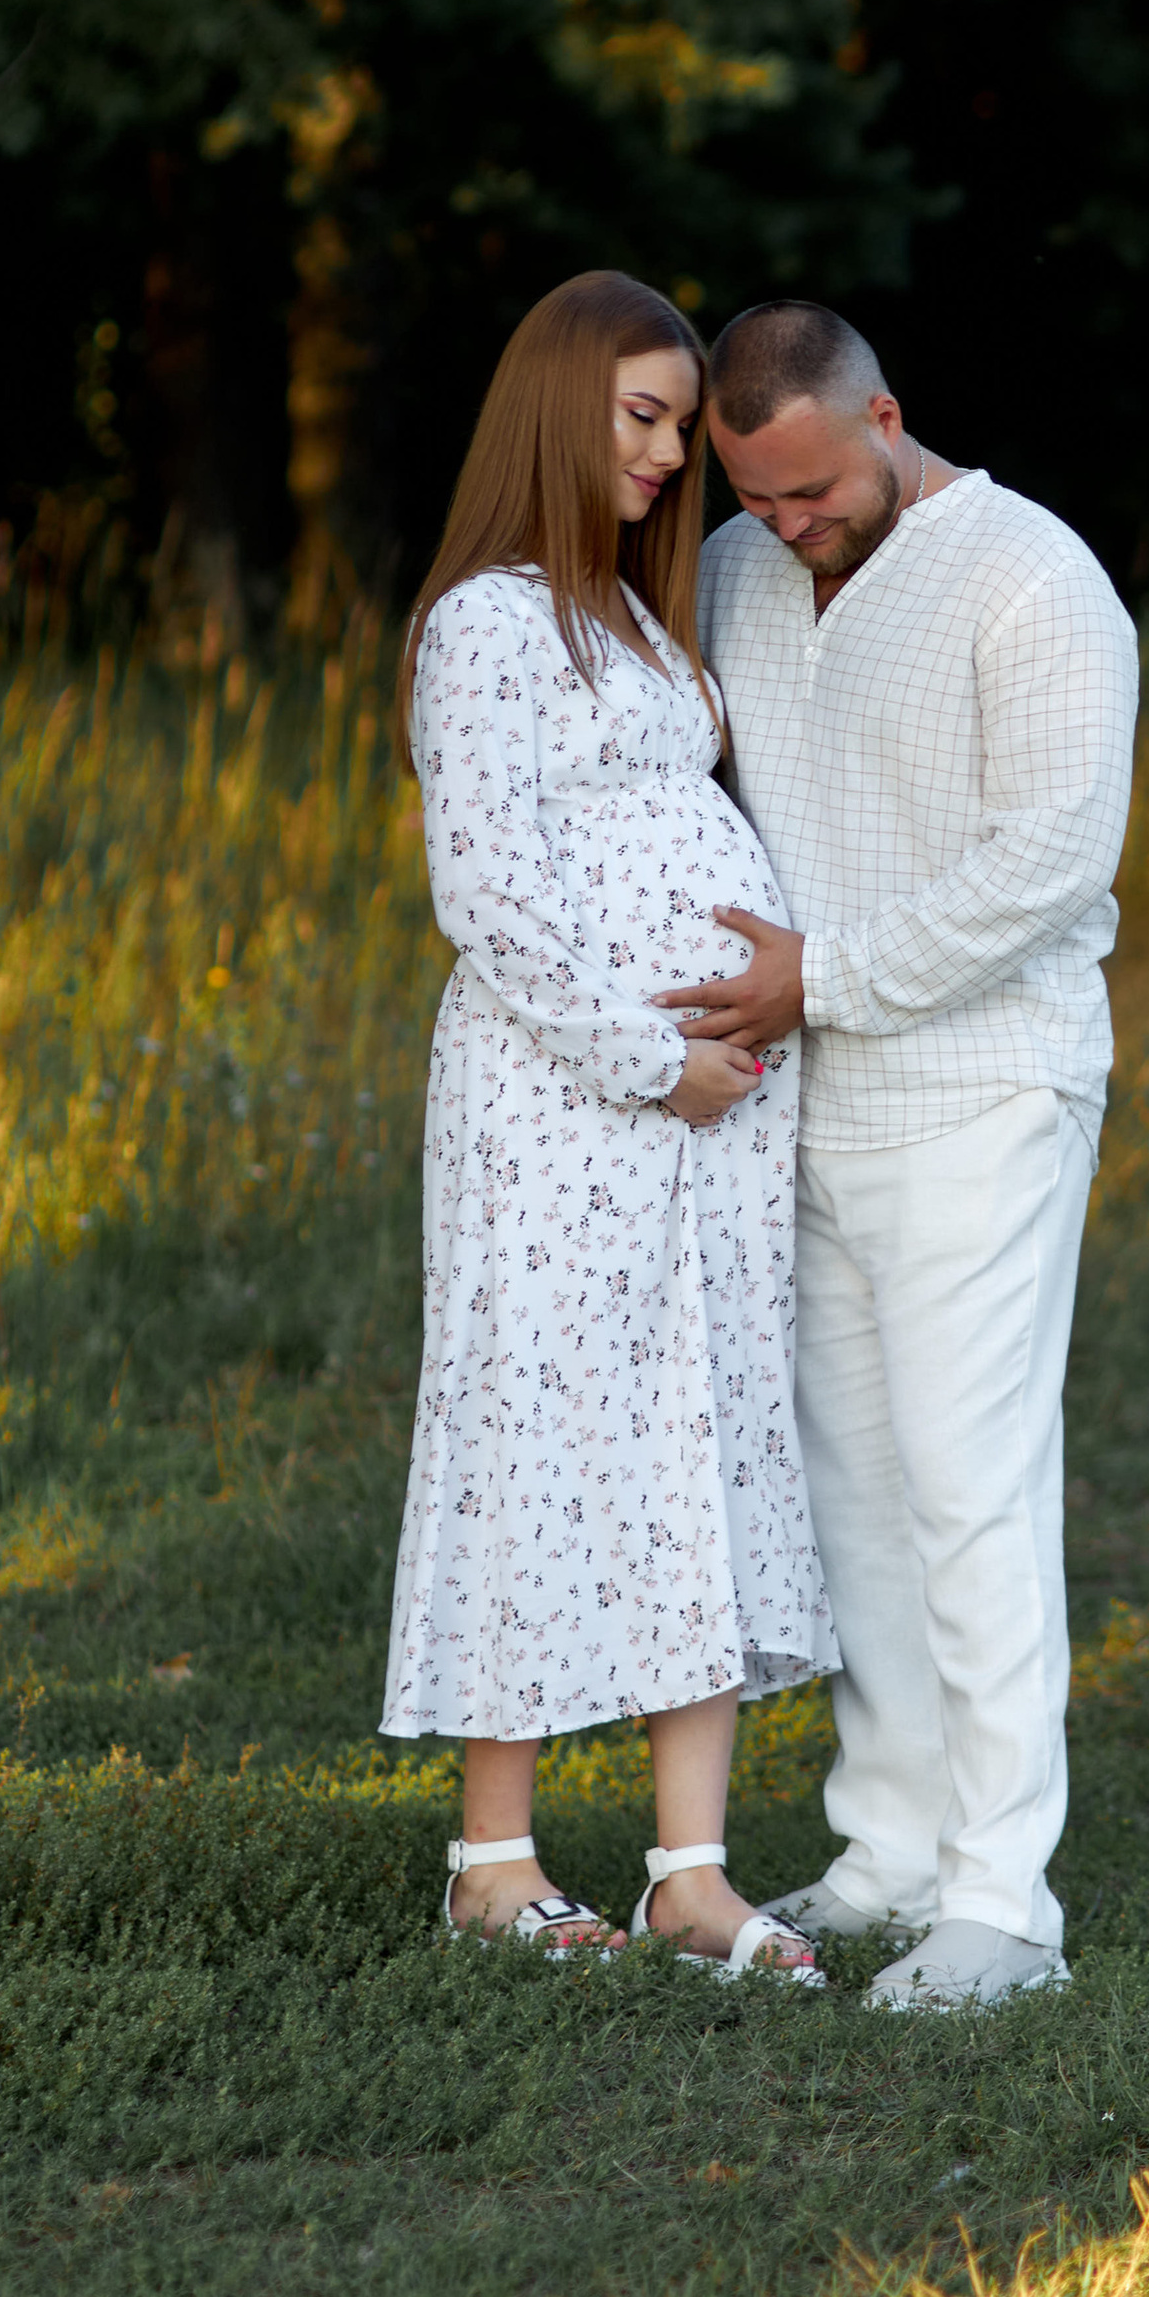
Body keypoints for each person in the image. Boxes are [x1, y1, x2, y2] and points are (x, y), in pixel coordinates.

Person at [667, 302, 1139, 2011]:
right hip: (812, 1108)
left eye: (809, 487)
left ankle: (1005, 1905)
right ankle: (888, 1850)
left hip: (987, 1092)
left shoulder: (1031, 577)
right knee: (858, 1498)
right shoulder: (730, 567)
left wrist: (826, 978)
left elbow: (1055, 860)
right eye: (757, 496)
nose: (787, 524)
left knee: (972, 1490)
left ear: (883, 411)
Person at [380, 269, 834, 1984]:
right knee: (541, 1429)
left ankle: (690, 1870)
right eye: (636, 418)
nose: (662, 454)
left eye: (673, 426)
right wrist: (655, 1060)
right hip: (564, 1107)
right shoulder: (488, 621)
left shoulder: (645, 621)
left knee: (689, 1441)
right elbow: (490, 899)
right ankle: (493, 1859)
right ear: (556, 408)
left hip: (702, 1127)